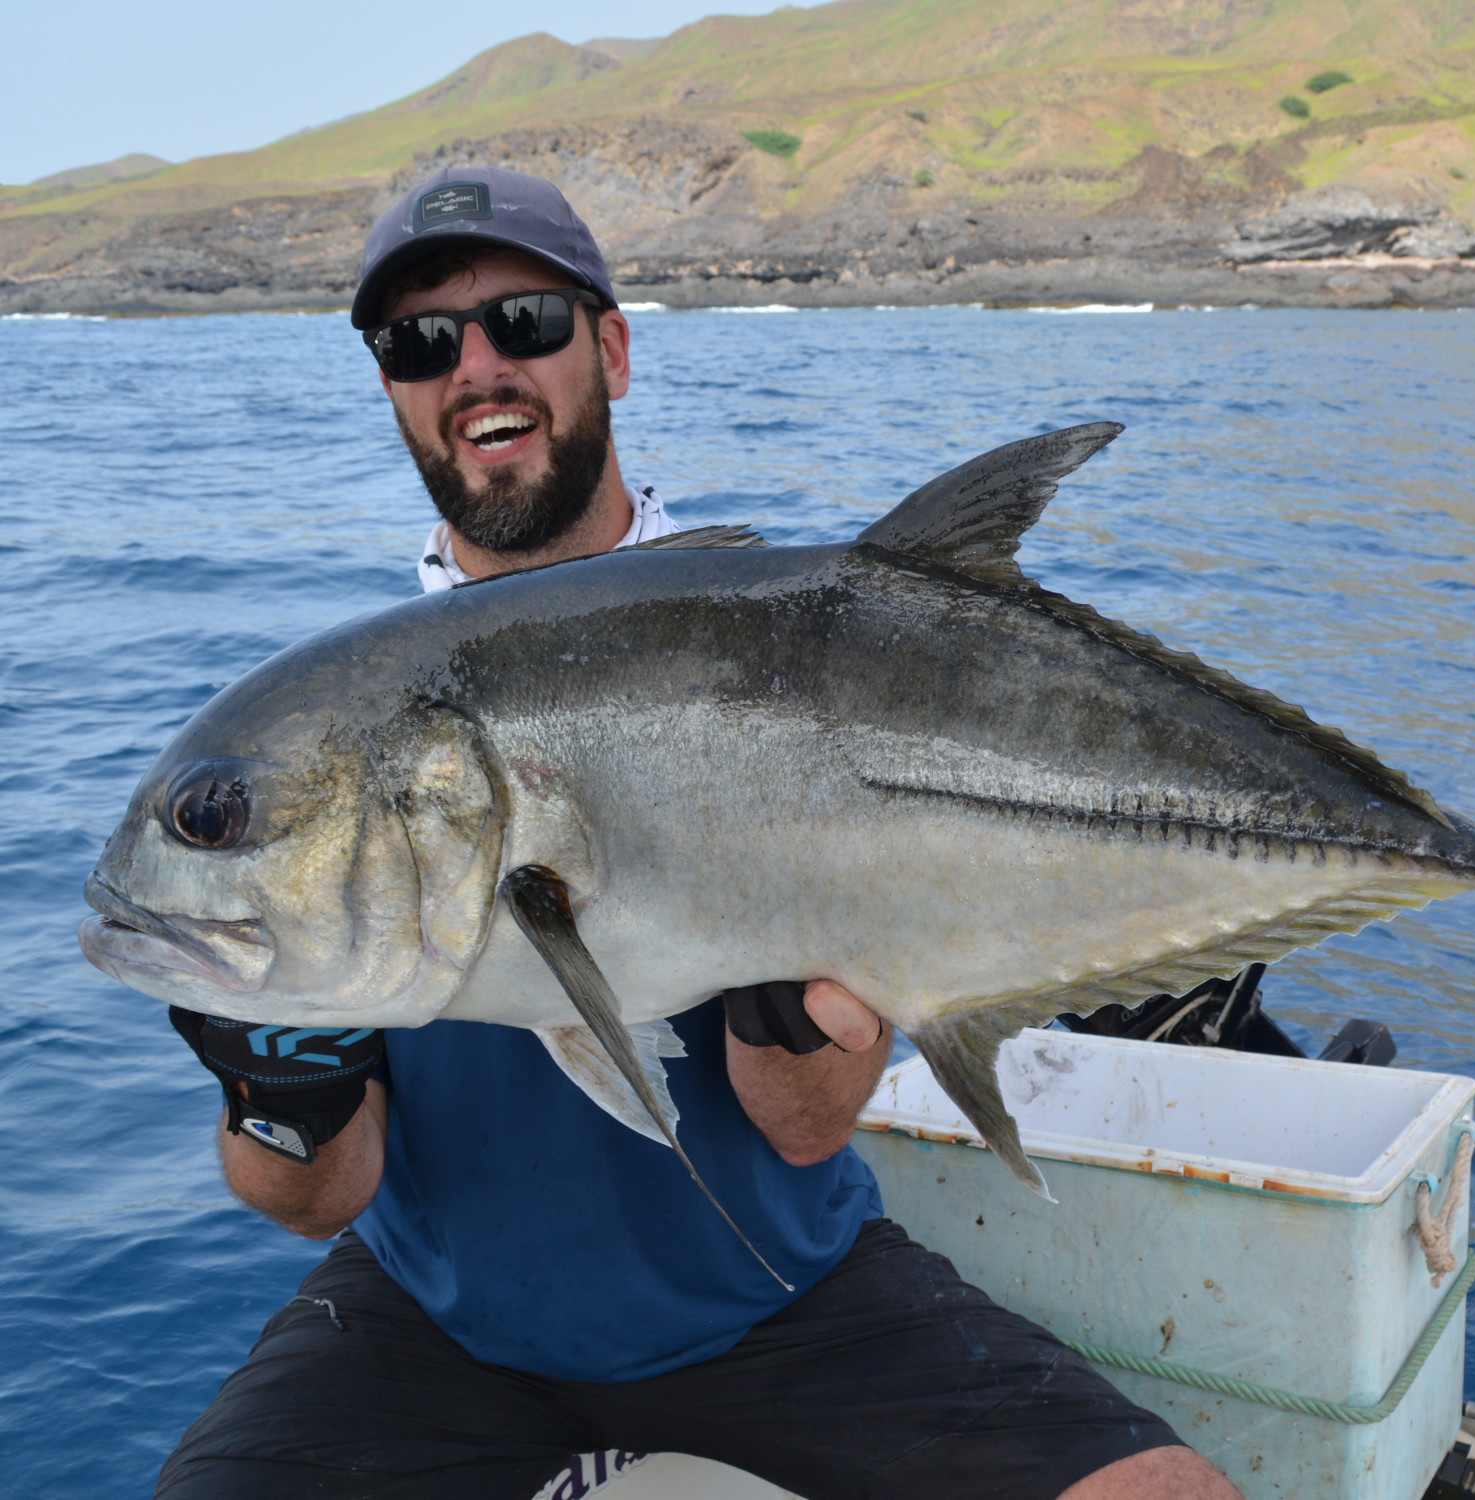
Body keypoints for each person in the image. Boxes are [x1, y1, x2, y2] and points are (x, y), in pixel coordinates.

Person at [155, 166, 1243, 1500]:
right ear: (393, 387)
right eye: (422, 342)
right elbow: (323, 1196)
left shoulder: (786, 645)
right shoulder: (345, 725)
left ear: (609, 345)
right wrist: (279, 1094)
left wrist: (799, 1024)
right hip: (434, 1332)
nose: (477, 368)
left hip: (779, 1298)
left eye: (528, 324)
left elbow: (800, 1129)